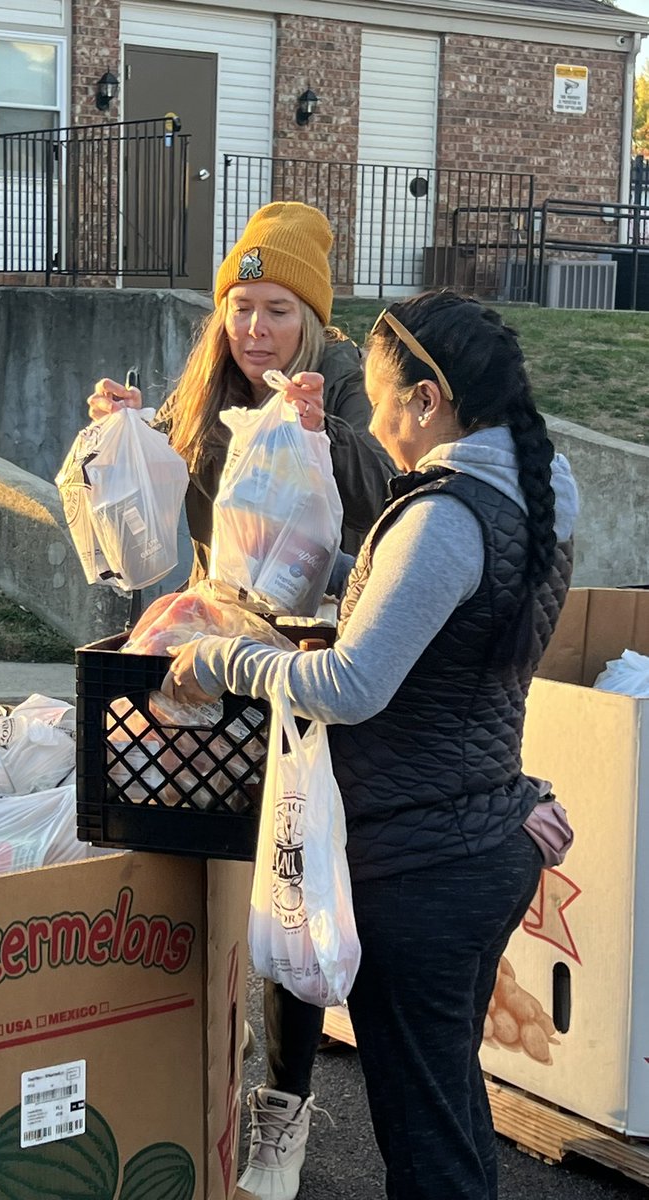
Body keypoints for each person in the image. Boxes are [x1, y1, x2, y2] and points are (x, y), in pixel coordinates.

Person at [162, 291, 580, 1200]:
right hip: (478, 839)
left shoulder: (448, 516)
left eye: (386, 402)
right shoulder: (536, 493)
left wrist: (226, 658)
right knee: (449, 1102)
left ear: (428, 401)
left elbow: (354, 688)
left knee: (425, 1139)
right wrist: (304, 573)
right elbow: (438, 627)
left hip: (421, 866)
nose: (379, 423)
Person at [87, 201, 393, 577]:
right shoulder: (207, 382)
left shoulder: (344, 380)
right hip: (217, 604)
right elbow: (148, 497)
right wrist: (129, 431)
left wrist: (323, 431)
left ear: (308, 321)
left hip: (314, 615)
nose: (254, 328)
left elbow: (384, 499)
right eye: (241, 308)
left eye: (278, 311)